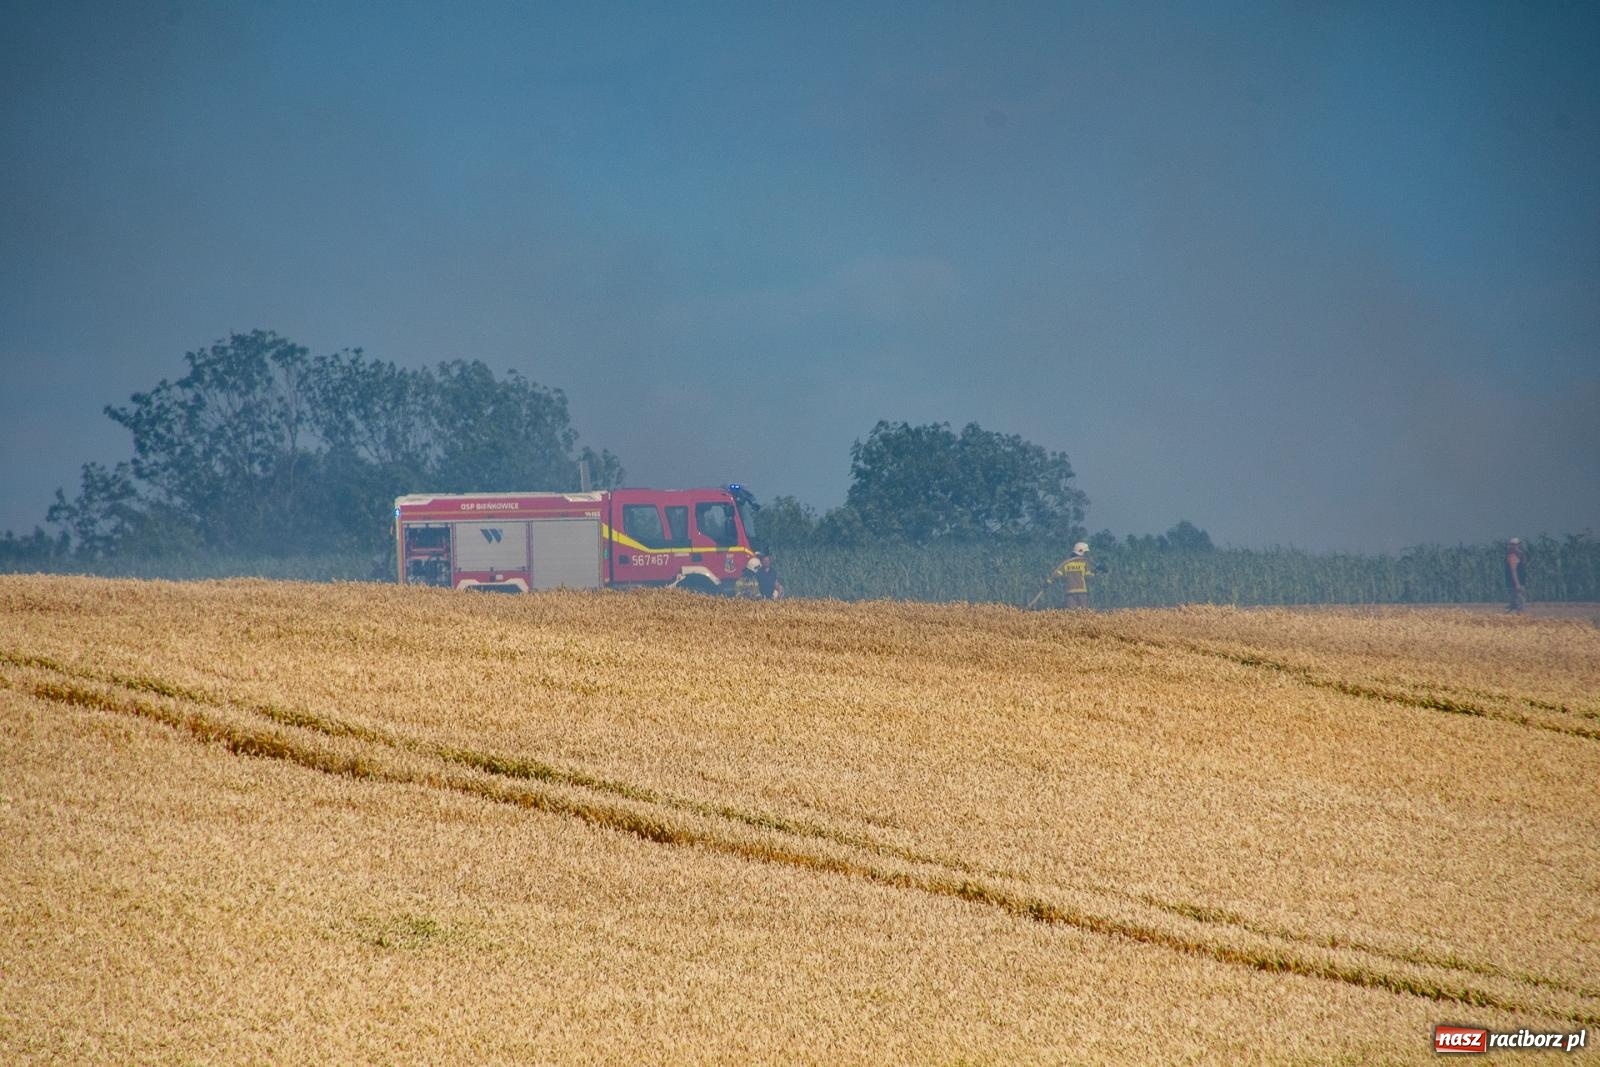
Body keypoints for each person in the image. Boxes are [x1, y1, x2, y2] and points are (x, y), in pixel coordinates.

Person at [1051, 541, 1094, 610]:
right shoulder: (1084, 563)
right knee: (1085, 613)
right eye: (1085, 553)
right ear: (1081, 551)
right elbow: (1088, 577)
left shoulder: (1067, 563)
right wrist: (1094, 573)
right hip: (1082, 592)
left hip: (1070, 592)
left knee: (1071, 613)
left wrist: (1049, 581)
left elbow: (1057, 575)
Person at [1505, 537, 1527, 613]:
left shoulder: (1518, 555)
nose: (1517, 546)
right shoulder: (1512, 556)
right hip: (1515, 583)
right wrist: (1517, 583)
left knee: (1515, 602)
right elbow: (1513, 570)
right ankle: (1519, 618)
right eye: (1515, 545)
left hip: (1517, 582)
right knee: (1519, 602)